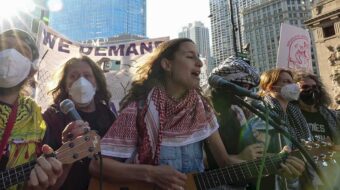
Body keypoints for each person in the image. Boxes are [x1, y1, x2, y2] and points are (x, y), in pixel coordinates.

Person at [88, 38, 249, 190]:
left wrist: (263, 162)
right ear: (167, 64)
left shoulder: (202, 109)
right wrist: (150, 174)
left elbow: (225, 162)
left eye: (198, 57)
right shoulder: (138, 110)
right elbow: (97, 166)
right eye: (190, 56)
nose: (199, 63)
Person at [206, 59, 305, 189]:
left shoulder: (239, 112)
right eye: (241, 86)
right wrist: (239, 157)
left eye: (248, 87)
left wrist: (279, 160)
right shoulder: (205, 110)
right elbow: (194, 161)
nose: (245, 91)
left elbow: (254, 158)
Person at [0, 29, 62, 189]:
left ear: (32, 70)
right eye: (3, 47)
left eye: (22, 51)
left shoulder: (36, 121)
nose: (10, 55)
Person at [43, 56, 116, 189]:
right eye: (73, 76)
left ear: (97, 83)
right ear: (65, 86)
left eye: (87, 76)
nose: (81, 81)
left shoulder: (108, 116)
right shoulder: (51, 117)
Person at [295, 71, 340, 190]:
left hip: (333, 173)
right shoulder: (291, 115)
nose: (312, 90)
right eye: (305, 87)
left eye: (315, 87)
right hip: (304, 175)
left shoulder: (332, 116)